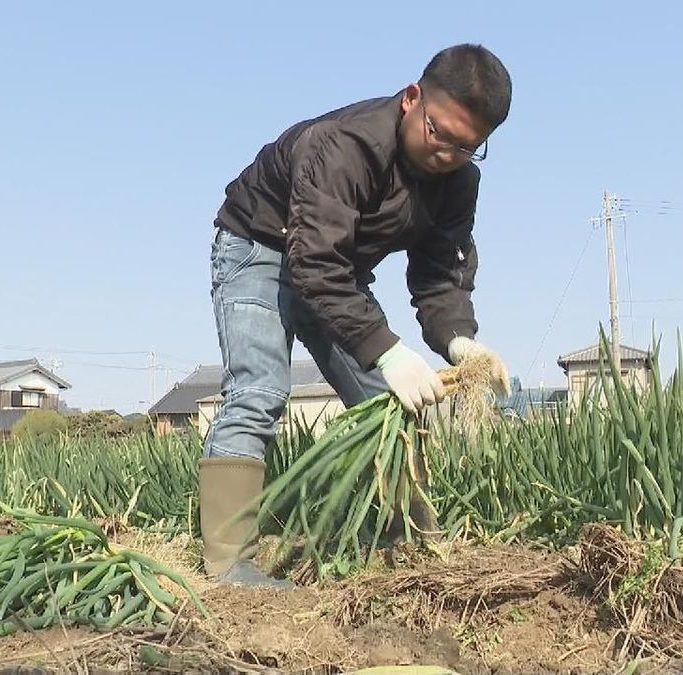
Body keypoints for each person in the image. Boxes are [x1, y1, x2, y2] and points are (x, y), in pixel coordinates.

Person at [199, 44, 514, 589]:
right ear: (413, 99)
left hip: (335, 272)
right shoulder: (345, 146)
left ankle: (411, 541)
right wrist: (387, 348)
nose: (449, 156)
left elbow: (440, 273)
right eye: (440, 135)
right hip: (258, 248)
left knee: (385, 403)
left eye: (469, 148)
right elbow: (313, 260)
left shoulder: (459, 182)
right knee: (259, 392)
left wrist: (461, 342)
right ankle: (230, 563)